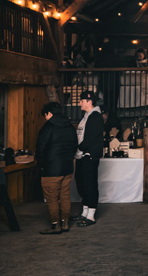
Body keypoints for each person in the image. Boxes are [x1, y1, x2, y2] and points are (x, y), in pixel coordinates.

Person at [35, 102, 78, 234]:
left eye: (45, 115)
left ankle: (55, 225)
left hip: (51, 169)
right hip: (68, 168)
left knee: (52, 197)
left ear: (49, 113)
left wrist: (41, 165)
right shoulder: (70, 127)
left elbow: (40, 149)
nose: (45, 118)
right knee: (65, 195)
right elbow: (74, 146)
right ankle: (65, 223)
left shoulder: (48, 127)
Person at [70, 91, 104, 227]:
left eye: (82, 100)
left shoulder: (95, 116)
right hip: (82, 155)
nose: (80, 103)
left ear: (89, 102)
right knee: (81, 184)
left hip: (89, 156)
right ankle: (84, 213)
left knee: (89, 185)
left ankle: (91, 216)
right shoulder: (86, 116)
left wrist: (79, 149)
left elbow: (90, 139)